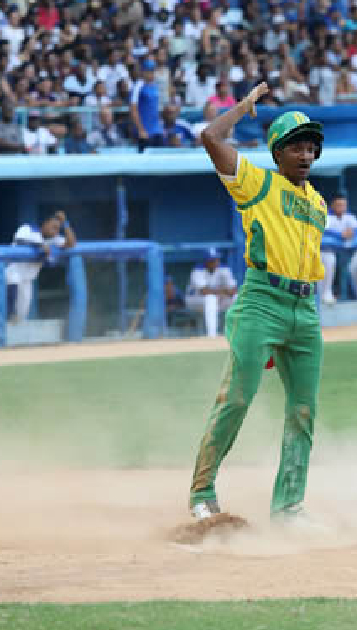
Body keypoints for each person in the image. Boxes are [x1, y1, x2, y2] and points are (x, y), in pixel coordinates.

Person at [189, 83, 328, 525]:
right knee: (237, 399)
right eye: (296, 148)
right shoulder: (256, 182)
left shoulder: (319, 204)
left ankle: (289, 506)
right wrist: (242, 108)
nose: (305, 155)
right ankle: (202, 492)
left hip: (304, 312)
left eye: (311, 148)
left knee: (303, 411)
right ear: (277, 152)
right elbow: (211, 138)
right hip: (262, 301)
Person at [4, 211, 77, 322]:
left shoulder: (54, 239)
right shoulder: (28, 228)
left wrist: (65, 223)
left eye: (58, 228)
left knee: (21, 315)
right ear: (45, 224)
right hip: (13, 271)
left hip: (27, 279)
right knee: (10, 309)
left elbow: (71, 244)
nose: (56, 231)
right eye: (53, 227)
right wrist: (40, 245)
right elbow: (20, 240)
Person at [185, 248, 237, 337]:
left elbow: (233, 290)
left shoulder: (224, 269)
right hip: (195, 300)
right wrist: (223, 292)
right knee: (211, 299)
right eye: (212, 260)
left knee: (237, 297)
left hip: (219, 299)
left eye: (217, 259)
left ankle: (237, 332)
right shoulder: (197, 271)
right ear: (206, 261)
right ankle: (212, 335)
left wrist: (223, 294)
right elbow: (204, 291)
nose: (215, 262)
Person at [323, 196, 357, 304]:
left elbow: (354, 234)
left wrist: (345, 235)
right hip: (329, 251)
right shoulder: (326, 217)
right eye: (338, 205)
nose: (341, 207)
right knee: (329, 260)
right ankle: (326, 293)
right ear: (332, 205)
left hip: (349, 251)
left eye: (343, 205)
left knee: (354, 266)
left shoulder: (350, 217)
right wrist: (340, 235)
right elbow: (324, 235)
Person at [130, 58, 163, 151]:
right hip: (145, 132)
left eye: (153, 71)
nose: (152, 74)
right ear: (143, 72)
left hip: (157, 131)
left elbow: (155, 108)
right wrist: (141, 130)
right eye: (149, 71)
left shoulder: (155, 86)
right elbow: (133, 109)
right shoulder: (138, 86)